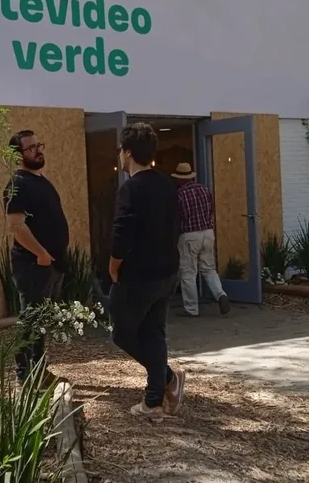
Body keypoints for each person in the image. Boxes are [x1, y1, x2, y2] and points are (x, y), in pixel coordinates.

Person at [108, 123, 186, 422]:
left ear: (127, 153)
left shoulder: (131, 188)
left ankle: (166, 378)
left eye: (120, 151)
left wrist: (113, 267)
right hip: (167, 271)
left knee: (123, 333)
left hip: (138, 275)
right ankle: (154, 400)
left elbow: (121, 234)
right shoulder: (167, 184)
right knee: (153, 333)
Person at [3, 130, 69, 383]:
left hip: (51, 265)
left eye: (38, 145)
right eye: (30, 148)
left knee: (42, 321)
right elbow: (16, 226)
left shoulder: (41, 181)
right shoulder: (18, 184)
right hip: (33, 266)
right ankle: (24, 374)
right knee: (31, 320)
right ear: (17, 155)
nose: (37, 150)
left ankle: (39, 370)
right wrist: (41, 253)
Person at [171, 162, 231, 317]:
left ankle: (191, 309)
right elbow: (210, 210)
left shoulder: (179, 194)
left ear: (179, 179)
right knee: (209, 269)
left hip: (189, 235)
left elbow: (178, 218)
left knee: (188, 273)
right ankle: (221, 294)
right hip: (207, 233)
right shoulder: (204, 190)